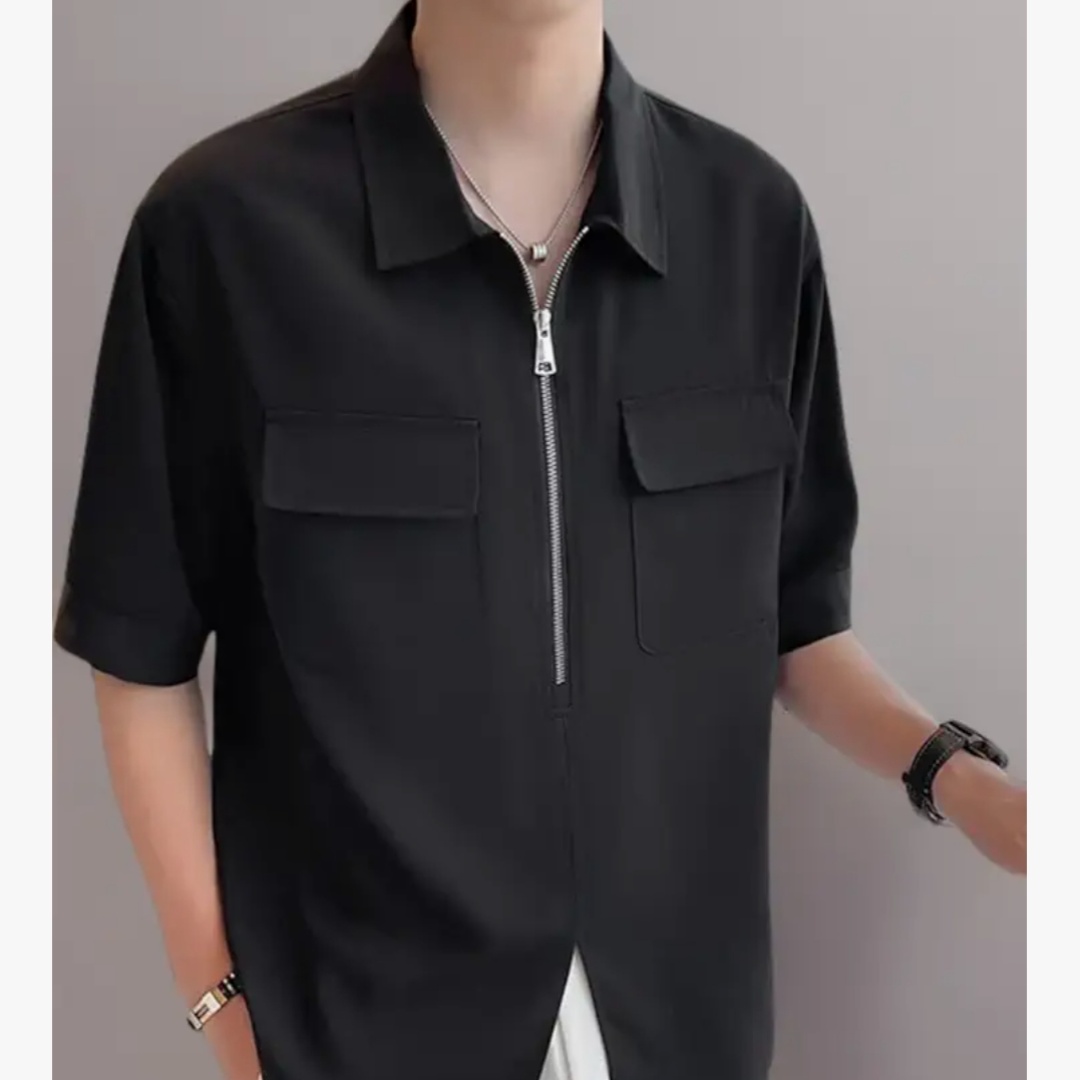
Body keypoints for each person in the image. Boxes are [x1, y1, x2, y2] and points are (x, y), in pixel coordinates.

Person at [53, 2, 1026, 1079]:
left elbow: (795, 623)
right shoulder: (226, 229)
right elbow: (137, 647)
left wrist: (965, 782)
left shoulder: (751, 223)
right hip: (356, 1028)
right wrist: (221, 1001)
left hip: (683, 1021)